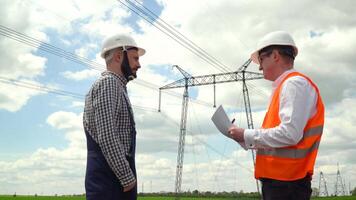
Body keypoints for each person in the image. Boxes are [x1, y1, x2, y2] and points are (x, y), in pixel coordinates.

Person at [228, 31, 324, 200]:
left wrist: (245, 134)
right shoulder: (288, 86)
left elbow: (289, 134)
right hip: (284, 183)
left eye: (261, 59)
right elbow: (281, 139)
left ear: (275, 56)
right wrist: (242, 138)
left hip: (287, 184)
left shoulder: (293, 84)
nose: (259, 66)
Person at [83, 33, 145, 200]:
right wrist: (127, 178)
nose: (139, 65)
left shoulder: (118, 86)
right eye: (135, 58)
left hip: (111, 181)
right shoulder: (109, 83)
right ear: (119, 56)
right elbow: (107, 135)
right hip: (109, 184)